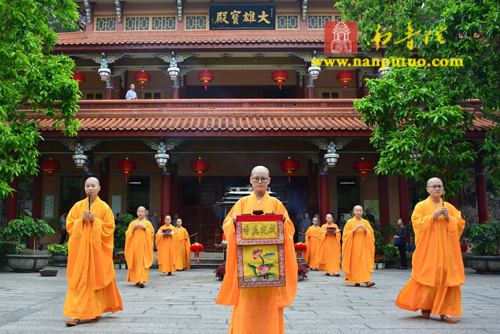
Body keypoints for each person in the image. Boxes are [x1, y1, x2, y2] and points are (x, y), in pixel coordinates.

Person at [215, 166, 297, 334]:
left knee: (269, 304)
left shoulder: (276, 204)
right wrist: (235, 222)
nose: (260, 182)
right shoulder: (242, 203)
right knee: (246, 306)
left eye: (263, 178)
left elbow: (290, 228)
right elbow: (227, 223)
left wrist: (281, 221)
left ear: (269, 181)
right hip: (247, 265)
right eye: (256, 178)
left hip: (270, 265)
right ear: (250, 180)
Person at [396, 177, 465, 324]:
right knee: (428, 276)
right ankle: (425, 305)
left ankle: (446, 311)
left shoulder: (449, 207)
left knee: (447, 277)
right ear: (427, 189)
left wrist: (449, 218)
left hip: (447, 251)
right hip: (429, 250)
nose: (437, 189)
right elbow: (416, 224)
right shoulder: (421, 206)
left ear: (443, 189)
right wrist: (431, 218)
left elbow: (460, 223)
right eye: (433, 186)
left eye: (439, 186)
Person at [63, 177, 123, 326]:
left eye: (93, 186)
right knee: (79, 280)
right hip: (81, 253)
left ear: (99, 188)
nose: (90, 188)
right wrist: (81, 220)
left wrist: (96, 221)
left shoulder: (104, 207)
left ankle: (96, 310)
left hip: (97, 253)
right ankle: (75, 314)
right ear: (84, 189)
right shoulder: (77, 206)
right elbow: (69, 226)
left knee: (97, 279)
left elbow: (109, 228)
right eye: (87, 186)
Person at [342, 205, 375, 287]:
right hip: (353, 247)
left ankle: (367, 281)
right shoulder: (349, 222)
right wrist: (354, 230)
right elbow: (345, 235)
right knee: (354, 263)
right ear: (353, 212)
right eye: (357, 211)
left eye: (360, 210)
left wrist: (365, 229)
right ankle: (356, 280)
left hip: (364, 247)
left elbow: (371, 234)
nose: (359, 212)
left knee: (364, 263)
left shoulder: (366, 222)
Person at [125, 206, 154, 288]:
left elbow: (152, 233)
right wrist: (134, 228)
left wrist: (144, 228)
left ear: (145, 213)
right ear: (137, 212)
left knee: (143, 263)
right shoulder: (133, 223)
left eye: (142, 211)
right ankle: (137, 280)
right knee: (135, 262)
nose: (140, 213)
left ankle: (141, 280)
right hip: (134, 247)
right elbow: (127, 234)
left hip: (144, 247)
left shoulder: (148, 224)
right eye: (139, 211)